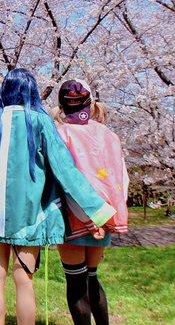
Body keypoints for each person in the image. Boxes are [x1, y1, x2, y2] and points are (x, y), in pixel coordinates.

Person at [0, 69, 116, 325]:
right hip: (30, 216)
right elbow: (65, 169)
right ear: (32, 91)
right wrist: (96, 209)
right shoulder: (41, 122)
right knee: (24, 278)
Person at [50, 79, 129, 325]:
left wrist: (89, 217)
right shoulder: (109, 136)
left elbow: (67, 181)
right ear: (91, 103)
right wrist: (108, 214)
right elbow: (122, 178)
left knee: (76, 281)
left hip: (74, 218)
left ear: (61, 106)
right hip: (106, 214)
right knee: (92, 278)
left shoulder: (59, 135)